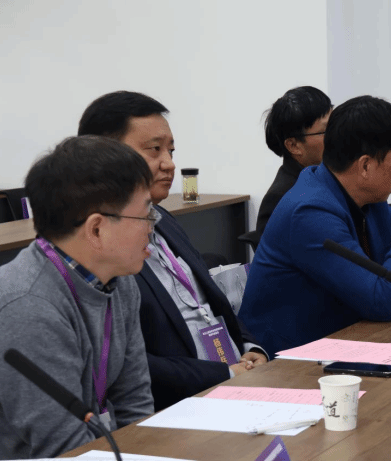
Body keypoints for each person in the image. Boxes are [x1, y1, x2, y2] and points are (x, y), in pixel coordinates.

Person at [78, 91, 267, 411]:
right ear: (104, 154)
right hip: (179, 403)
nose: (169, 163)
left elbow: (212, 303)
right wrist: (223, 374)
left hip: (234, 381)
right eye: (154, 150)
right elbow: (124, 361)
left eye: (171, 150)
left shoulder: (163, 219)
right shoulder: (95, 243)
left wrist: (250, 348)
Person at [0, 136, 155, 460]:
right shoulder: (27, 308)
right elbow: (64, 449)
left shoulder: (118, 280)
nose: (152, 227)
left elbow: (135, 404)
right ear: (96, 230)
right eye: (146, 216)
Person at [239, 95, 391, 358]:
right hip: (285, 363)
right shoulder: (310, 212)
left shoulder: (370, 200)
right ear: (365, 165)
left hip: (347, 342)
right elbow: (381, 302)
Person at [255, 86, 333, 244]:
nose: (336, 135)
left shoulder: (327, 177)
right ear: (294, 145)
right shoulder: (281, 198)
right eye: (326, 131)